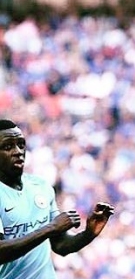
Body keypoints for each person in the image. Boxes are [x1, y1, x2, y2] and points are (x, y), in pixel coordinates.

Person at [0, 119, 115, 279]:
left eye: (21, 144)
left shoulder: (40, 186)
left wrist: (88, 233)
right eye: (7, 146)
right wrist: (51, 228)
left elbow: (61, 246)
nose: (18, 151)